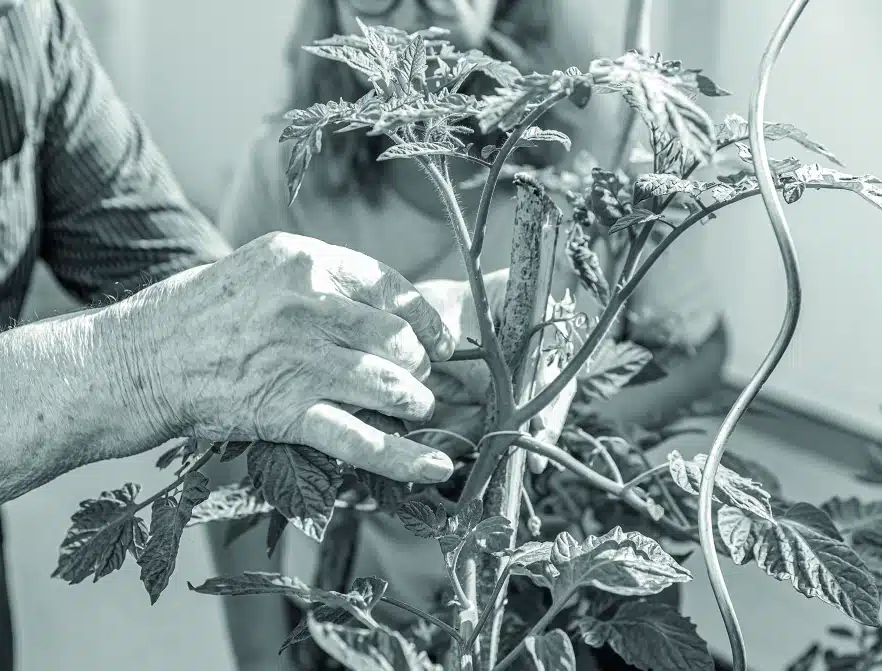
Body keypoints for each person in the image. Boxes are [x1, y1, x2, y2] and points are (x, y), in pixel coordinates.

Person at [0, 0, 517, 668]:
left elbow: (219, 300)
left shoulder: (25, 35)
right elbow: (183, 340)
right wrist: (137, 364)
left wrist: (421, 332)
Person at [205, 1, 730, 670]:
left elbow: (699, 348)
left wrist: (559, 432)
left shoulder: (606, 141)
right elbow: (227, 431)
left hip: (557, 597)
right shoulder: (285, 172)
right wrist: (260, 659)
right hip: (375, 618)